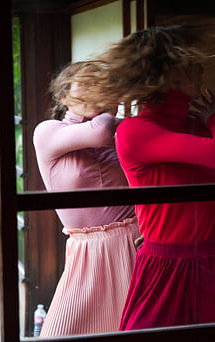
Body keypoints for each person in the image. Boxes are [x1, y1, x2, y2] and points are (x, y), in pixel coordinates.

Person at [75, 26, 215, 341]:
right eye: (192, 63)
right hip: (165, 269)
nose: (201, 70)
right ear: (171, 74)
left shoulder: (198, 127)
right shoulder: (135, 132)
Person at [32, 61, 140, 337]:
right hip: (87, 251)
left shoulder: (121, 136)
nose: (96, 87)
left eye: (101, 83)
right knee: (60, 332)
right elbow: (100, 130)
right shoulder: (48, 132)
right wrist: (112, 112)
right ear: (63, 96)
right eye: (87, 82)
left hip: (135, 243)